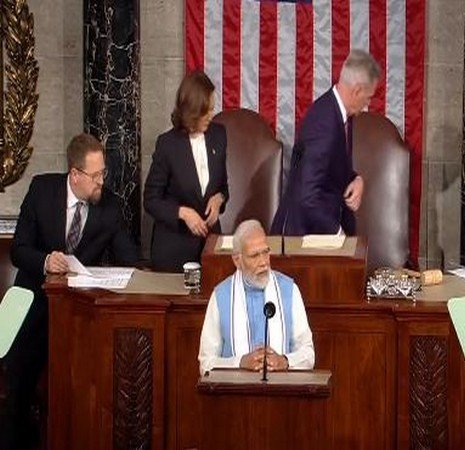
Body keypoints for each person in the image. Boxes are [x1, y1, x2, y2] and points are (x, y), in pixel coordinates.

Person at [3, 133, 139, 450]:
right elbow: (19, 251)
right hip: (29, 303)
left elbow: (130, 259)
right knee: (18, 383)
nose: (101, 182)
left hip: (77, 314)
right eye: (95, 175)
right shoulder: (41, 190)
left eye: (103, 173)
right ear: (74, 175)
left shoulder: (110, 207)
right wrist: (46, 260)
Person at [270, 49, 380, 236]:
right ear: (357, 91)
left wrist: (356, 179)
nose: (368, 104)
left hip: (319, 234)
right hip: (303, 240)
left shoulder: (341, 114)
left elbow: (331, 168)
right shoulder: (324, 124)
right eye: (368, 97)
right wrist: (337, 234)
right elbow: (308, 195)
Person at [198, 219, 314, 373]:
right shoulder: (221, 296)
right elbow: (206, 363)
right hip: (234, 394)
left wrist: (284, 361)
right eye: (254, 256)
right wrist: (239, 362)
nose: (264, 263)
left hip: (281, 391)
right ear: (237, 260)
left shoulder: (289, 290)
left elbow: (308, 354)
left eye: (265, 252)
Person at [144, 70, 229, 272]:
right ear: (191, 111)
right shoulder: (167, 145)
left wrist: (219, 200)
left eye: (212, 109)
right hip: (174, 250)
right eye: (206, 110)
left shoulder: (219, 135)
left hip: (210, 246)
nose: (211, 115)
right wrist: (182, 213)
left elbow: (224, 186)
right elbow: (150, 199)